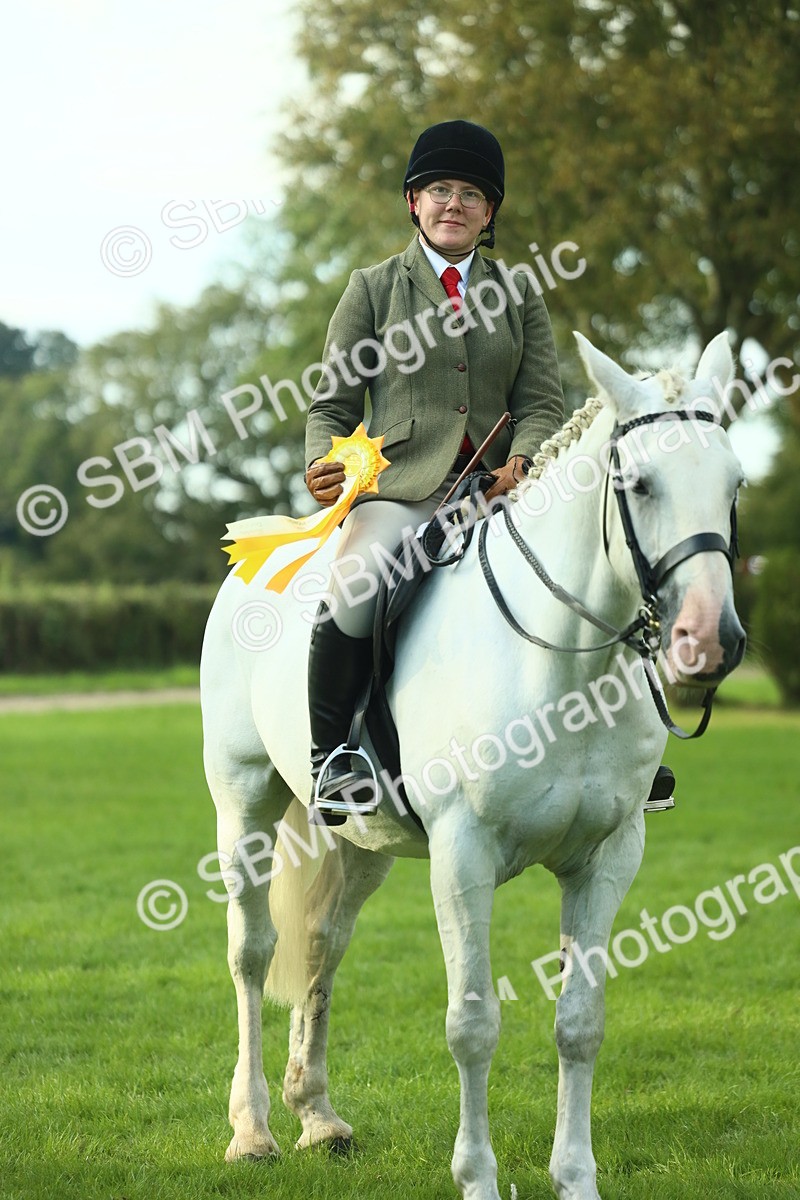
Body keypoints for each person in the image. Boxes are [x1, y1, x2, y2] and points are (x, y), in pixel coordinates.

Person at [303, 119, 567, 823]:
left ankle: (621, 750)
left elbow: (542, 401)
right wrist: (321, 463)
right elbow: (330, 405)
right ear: (413, 202)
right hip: (407, 490)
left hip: (502, 491)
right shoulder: (372, 288)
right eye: (440, 190)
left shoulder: (520, 294)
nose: (455, 203)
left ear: (490, 213)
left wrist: (526, 458)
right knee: (357, 583)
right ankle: (331, 757)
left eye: (472, 194)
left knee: (595, 559)